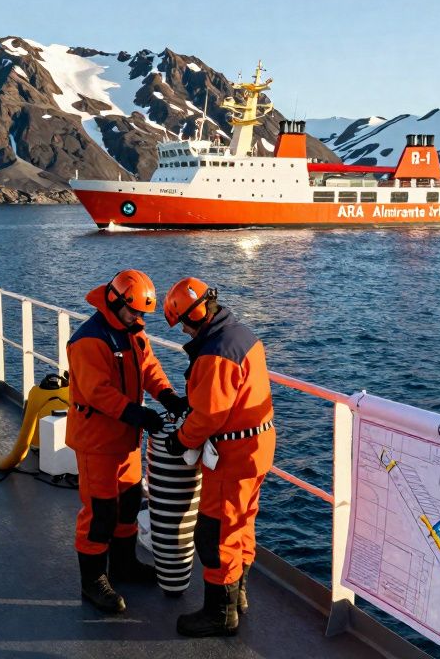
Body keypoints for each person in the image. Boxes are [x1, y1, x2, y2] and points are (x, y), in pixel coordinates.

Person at [66, 269, 189, 614]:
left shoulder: (132, 333)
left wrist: (167, 396)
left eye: (142, 315)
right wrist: (138, 414)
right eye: (134, 312)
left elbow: (148, 368)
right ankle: (92, 580)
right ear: (116, 302)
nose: (139, 319)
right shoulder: (89, 340)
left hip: (126, 439)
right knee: (100, 513)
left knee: (130, 502)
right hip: (97, 441)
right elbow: (96, 392)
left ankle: (123, 566)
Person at [162, 277, 275, 637]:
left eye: (181, 322)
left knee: (214, 534)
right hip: (257, 447)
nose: (181, 329)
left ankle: (220, 613)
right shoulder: (242, 335)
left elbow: (210, 414)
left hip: (232, 456)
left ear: (192, 318)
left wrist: (179, 440)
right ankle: (238, 595)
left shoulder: (215, 354)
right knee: (242, 524)